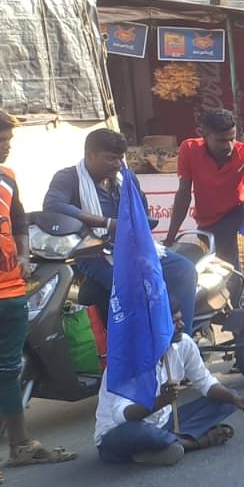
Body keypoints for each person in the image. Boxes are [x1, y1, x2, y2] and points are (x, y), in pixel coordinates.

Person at [0, 103, 76, 487]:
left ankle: (20, 444)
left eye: (9, 138)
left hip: (11, 291)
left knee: (8, 370)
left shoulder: (8, 177)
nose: (6, 145)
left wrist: (21, 253)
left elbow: (18, 219)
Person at [43, 128, 200, 335]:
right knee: (136, 285)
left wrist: (140, 225)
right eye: (110, 159)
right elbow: (54, 206)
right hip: (93, 253)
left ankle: (182, 341)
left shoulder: (125, 178)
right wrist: (106, 223)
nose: (116, 164)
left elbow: (141, 209)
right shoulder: (68, 178)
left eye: (119, 158)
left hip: (133, 246)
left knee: (184, 270)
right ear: (90, 155)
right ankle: (145, 344)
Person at [94, 307, 244, 465]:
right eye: (174, 322)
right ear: (154, 328)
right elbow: (123, 416)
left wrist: (236, 399)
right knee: (141, 433)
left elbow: (205, 382)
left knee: (227, 399)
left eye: (180, 319)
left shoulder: (184, 344)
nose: (182, 325)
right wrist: (161, 401)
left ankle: (162, 445)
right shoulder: (127, 362)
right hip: (120, 433)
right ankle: (195, 443)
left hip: (165, 424)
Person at [163, 108, 244, 289]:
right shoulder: (189, 149)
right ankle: (236, 300)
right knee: (228, 271)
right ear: (204, 134)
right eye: (221, 140)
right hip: (211, 219)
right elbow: (184, 193)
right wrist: (170, 236)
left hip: (238, 209)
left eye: (232, 139)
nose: (229, 146)